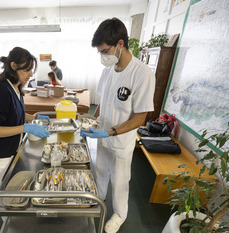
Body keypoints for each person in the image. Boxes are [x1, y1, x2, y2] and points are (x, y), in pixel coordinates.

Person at [81, 18, 155, 233]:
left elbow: (140, 118)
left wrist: (110, 132)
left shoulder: (142, 74)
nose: (103, 56)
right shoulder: (108, 70)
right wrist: (92, 121)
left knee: (121, 179)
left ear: (120, 44)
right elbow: (102, 101)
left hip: (121, 139)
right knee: (101, 170)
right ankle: (99, 198)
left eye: (105, 51)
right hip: (103, 134)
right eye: (100, 53)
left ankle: (120, 215)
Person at [0, 47, 51, 191]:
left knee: (14, 192)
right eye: (27, 70)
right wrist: (26, 128)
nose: (31, 74)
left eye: (32, 70)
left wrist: (34, 117)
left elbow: (13, 113)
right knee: (4, 197)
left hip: (11, 147)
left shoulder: (15, 86)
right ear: (13, 66)